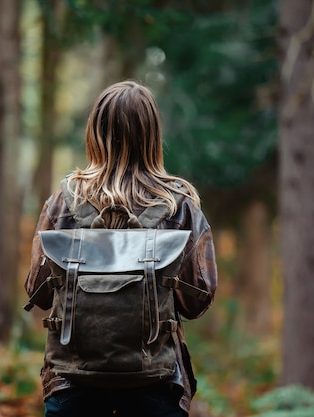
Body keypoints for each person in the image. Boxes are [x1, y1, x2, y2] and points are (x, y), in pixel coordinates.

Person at [25, 80, 218, 417]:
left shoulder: (62, 203)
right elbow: (197, 300)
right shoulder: (180, 207)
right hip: (155, 383)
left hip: (72, 383)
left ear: (95, 133)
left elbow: (37, 292)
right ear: (153, 136)